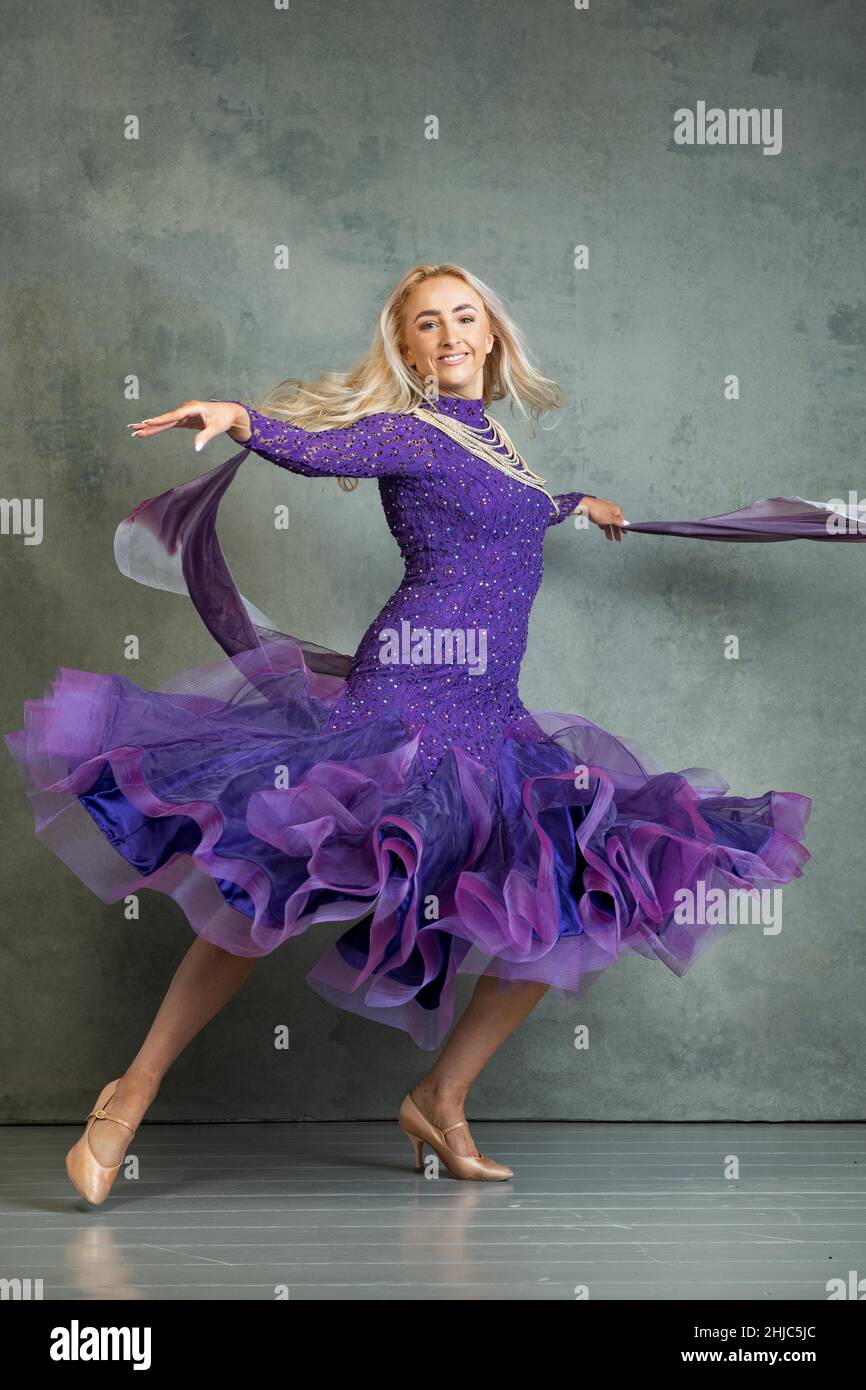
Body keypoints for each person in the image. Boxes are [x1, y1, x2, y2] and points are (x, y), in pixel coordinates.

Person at [4, 262, 812, 1197]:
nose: (451, 335)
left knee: (571, 887)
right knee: (272, 878)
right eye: (428, 324)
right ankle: (130, 1093)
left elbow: (500, 515)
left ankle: (440, 1097)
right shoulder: (409, 430)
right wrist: (240, 419)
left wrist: (571, 503)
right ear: (407, 347)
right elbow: (321, 452)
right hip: (408, 692)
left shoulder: (493, 439)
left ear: (492, 334)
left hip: (491, 710)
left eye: (465, 317)